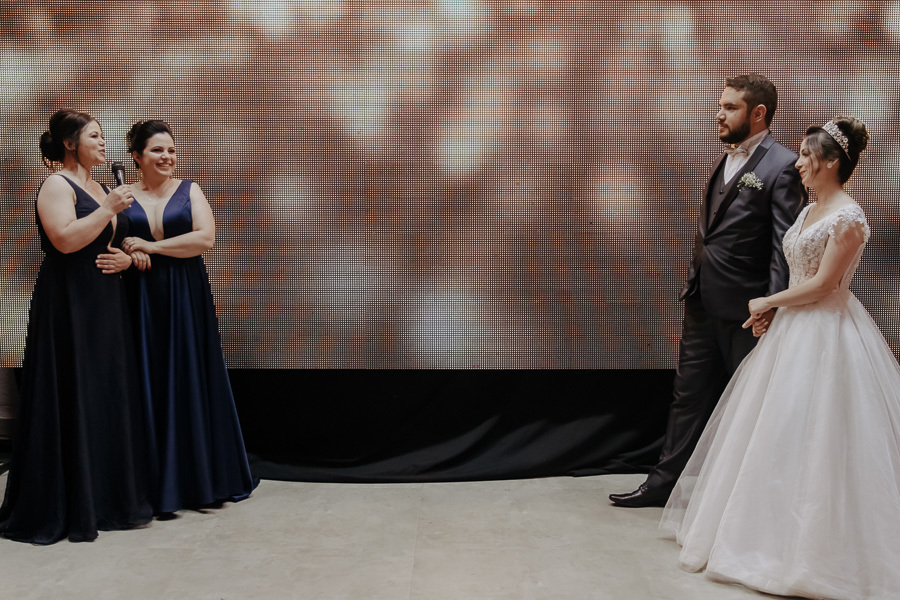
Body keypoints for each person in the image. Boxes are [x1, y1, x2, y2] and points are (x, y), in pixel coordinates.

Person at [660, 116, 900, 599]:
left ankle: (816, 550)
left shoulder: (849, 217)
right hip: (793, 332)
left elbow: (825, 285)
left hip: (829, 334)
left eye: (809, 157)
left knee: (822, 437)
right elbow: (795, 275)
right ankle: (760, 535)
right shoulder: (808, 210)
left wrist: (769, 302)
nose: (800, 163)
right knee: (775, 433)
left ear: (833, 162)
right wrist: (776, 311)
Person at [609, 74, 806, 507]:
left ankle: (756, 498)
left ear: (758, 114)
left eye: (730, 107)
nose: (719, 113)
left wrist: (770, 306)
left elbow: (782, 244)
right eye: (720, 105)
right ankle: (660, 486)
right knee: (687, 396)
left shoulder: (783, 165)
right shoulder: (724, 159)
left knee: (753, 406)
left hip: (746, 309)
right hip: (702, 300)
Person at [0, 109, 152, 544]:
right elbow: (65, 239)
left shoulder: (100, 185)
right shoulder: (56, 184)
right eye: (95, 136)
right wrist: (107, 207)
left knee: (104, 391)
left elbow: (104, 237)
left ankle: (105, 497)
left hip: (104, 299)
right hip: (68, 301)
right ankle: (69, 501)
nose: (104, 144)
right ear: (70, 143)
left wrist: (127, 254)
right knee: (71, 389)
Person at [120, 119, 257, 514]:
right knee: (146, 377)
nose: (167, 157)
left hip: (184, 295)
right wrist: (131, 250)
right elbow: (113, 240)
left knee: (189, 375)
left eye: (171, 150)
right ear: (136, 156)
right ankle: (150, 480)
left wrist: (149, 245)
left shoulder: (189, 189)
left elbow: (205, 239)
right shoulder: (121, 196)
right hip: (139, 297)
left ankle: (196, 478)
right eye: (157, 150)